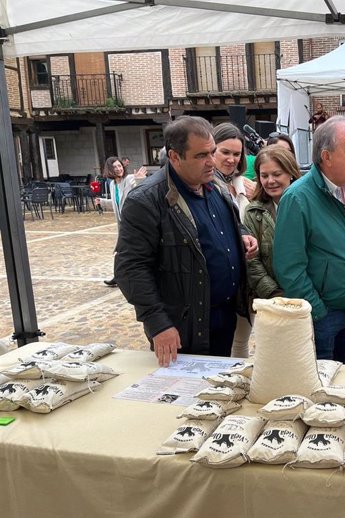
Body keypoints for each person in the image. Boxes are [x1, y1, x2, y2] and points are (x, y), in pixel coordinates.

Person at [114, 116, 258, 367]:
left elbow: (228, 223)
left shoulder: (214, 184)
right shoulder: (147, 200)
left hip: (224, 318)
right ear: (174, 157)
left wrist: (241, 234)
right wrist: (158, 324)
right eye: (202, 155)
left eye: (212, 152)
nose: (212, 161)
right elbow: (130, 268)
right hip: (183, 329)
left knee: (217, 394)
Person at [273, 116, 345, 365]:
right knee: (322, 390)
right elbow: (289, 268)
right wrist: (318, 311)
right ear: (326, 157)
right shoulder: (297, 199)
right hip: (324, 314)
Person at [212, 122, 257, 358]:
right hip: (222, 278)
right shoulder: (207, 186)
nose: (231, 159)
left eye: (237, 154)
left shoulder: (244, 185)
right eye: (225, 152)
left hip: (246, 276)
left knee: (242, 340)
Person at [244, 145, 302, 299]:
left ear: (291, 173)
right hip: (272, 301)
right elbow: (252, 262)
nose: (270, 181)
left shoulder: (308, 206)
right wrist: (274, 294)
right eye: (264, 175)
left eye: (277, 174)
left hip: (309, 298)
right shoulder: (253, 212)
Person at [98, 156, 146, 287]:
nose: (118, 169)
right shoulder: (113, 185)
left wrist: (139, 180)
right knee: (121, 251)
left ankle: (128, 277)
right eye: (115, 167)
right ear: (109, 170)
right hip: (123, 224)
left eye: (120, 166)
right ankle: (118, 276)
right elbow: (117, 203)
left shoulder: (130, 179)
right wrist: (102, 202)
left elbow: (140, 192)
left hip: (135, 223)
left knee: (131, 251)